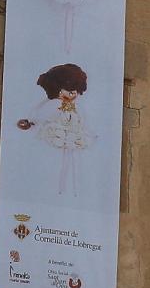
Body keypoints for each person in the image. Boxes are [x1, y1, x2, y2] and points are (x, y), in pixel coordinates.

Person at [15, 62, 93, 198]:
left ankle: (70, 192)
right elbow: (38, 115)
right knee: (54, 166)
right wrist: (30, 123)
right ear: (57, 89)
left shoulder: (77, 107)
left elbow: (82, 121)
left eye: (75, 90)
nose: (73, 94)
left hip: (70, 143)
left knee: (73, 166)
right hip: (53, 141)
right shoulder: (52, 105)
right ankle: (52, 191)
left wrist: (82, 132)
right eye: (69, 90)